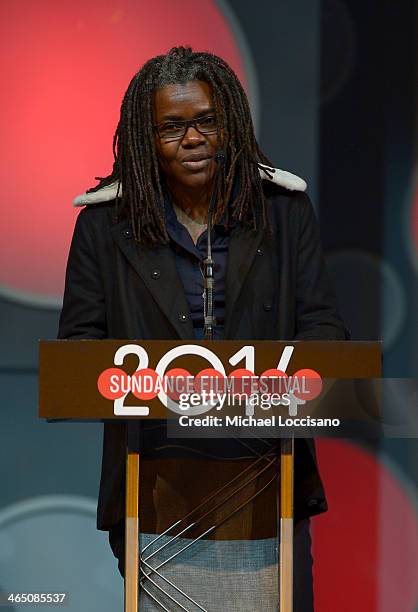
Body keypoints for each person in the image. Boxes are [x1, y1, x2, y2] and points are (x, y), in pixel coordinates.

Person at [58, 46, 348, 611]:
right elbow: (79, 350)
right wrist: (151, 387)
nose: (192, 139)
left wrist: (267, 386)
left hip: (269, 480)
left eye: (206, 122)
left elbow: (324, 331)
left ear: (231, 123)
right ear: (147, 139)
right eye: (171, 127)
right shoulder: (103, 226)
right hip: (155, 483)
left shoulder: (283, 213)